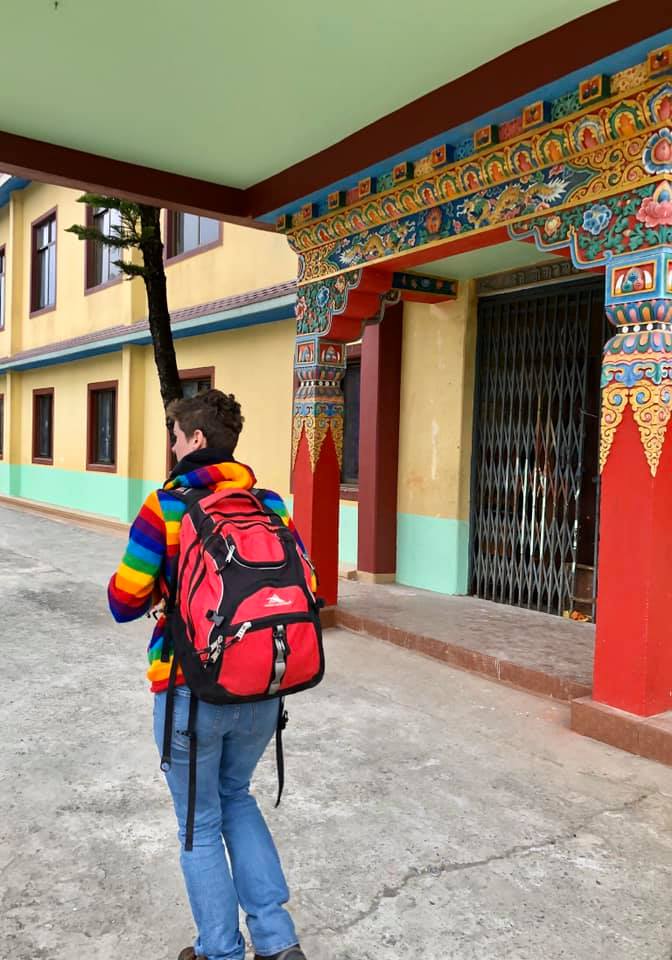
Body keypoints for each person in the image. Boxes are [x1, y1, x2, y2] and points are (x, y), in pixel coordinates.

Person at [108, 389, 307, 960]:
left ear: (195, 440)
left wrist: (161, 593)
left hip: (189, 690)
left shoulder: (165, 507)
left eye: (175, 437)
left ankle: (219, 950)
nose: (172, 448)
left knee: (198, 822)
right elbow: (306, 586)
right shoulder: (270, 503)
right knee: (237, 797)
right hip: (264, 684)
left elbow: (123, 599)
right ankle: (277, 940)